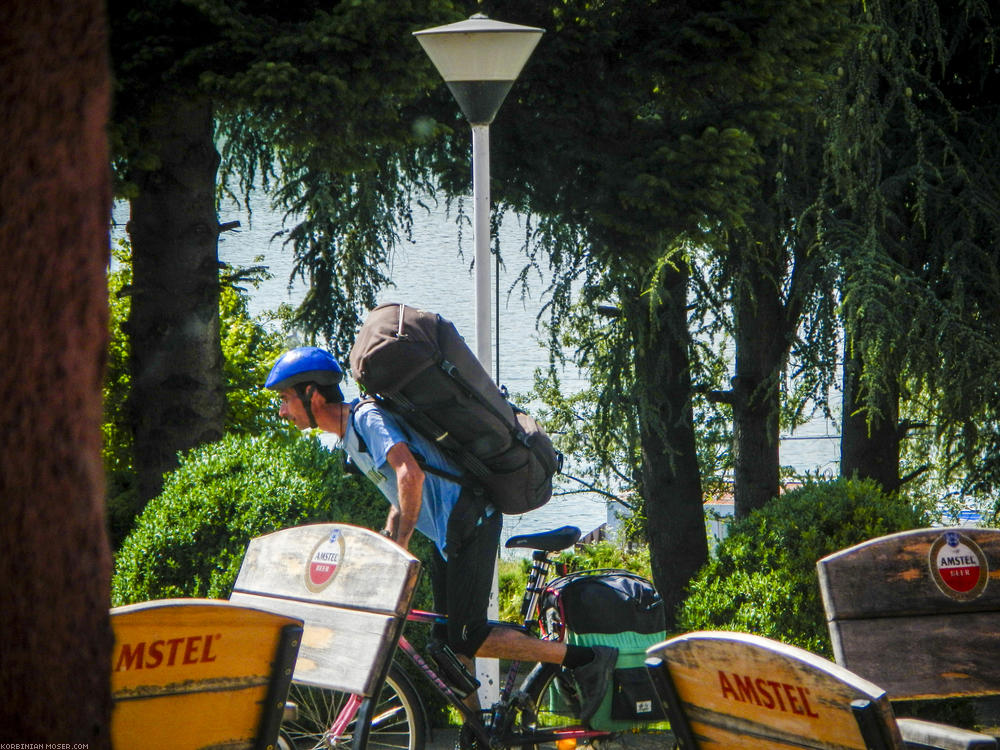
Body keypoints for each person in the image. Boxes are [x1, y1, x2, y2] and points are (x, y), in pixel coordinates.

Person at [266, 346, 617, 739]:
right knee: (444, 646)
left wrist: (399, 549)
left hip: (471, 521)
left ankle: (586, 658)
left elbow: (409, 476)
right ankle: (477, 730)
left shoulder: (366, 419)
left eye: (285, 399)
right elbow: (400, 495)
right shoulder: (350, 438)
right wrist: (385, 545)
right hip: (446, 533)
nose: (282, 411)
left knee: (468, 635)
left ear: (313, 394)